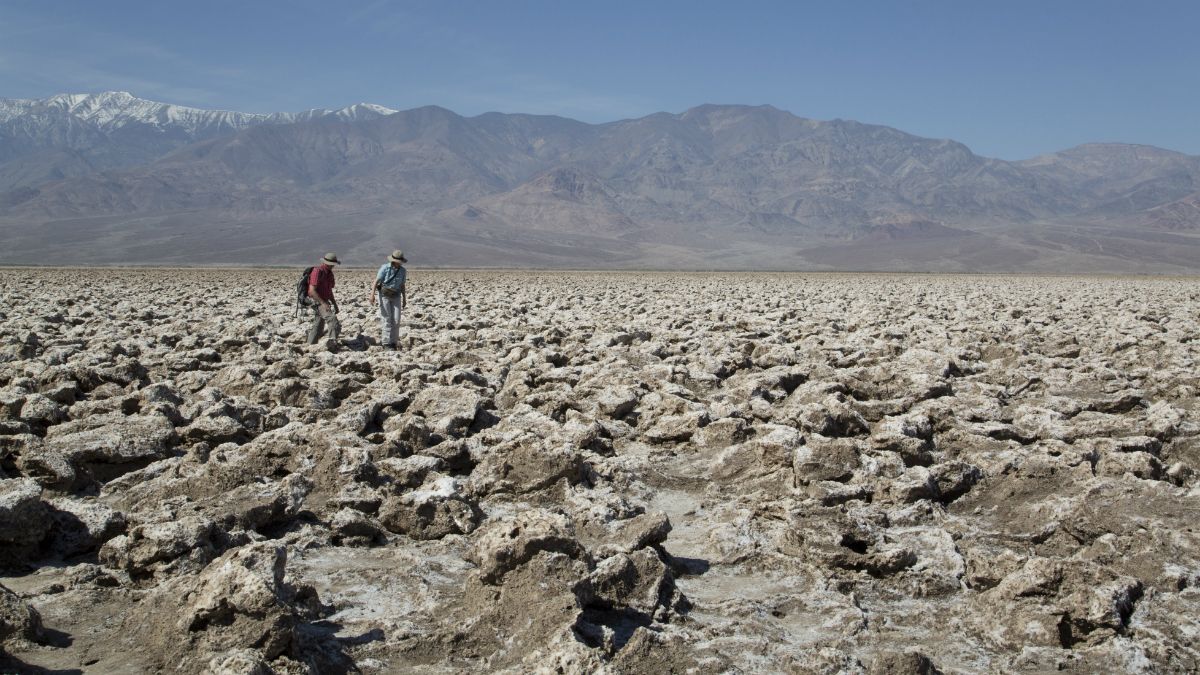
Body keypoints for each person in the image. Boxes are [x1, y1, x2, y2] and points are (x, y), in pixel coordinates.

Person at [369, 249, 407, 349]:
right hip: (384, 295)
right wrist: (372, 295)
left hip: (396, 296)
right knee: (387, 319)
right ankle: (386, 343)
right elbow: (376, 281)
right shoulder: (385, 268)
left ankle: (394, 342)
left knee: (396, 319)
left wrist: (404, 298)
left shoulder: (403, 271)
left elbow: (402, 285)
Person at [306, 252, 341, 344]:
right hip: (317, 301)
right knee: (332, 319)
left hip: (324, 301)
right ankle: (332, 343)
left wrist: (334, 303)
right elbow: (312, 291)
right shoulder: (317, 271)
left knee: (318, 325)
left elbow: (329, 291)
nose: (332, 266)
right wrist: (323, 303)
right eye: (331, 264)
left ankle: (310, 344)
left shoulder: (329, 273)